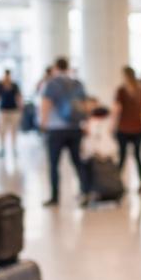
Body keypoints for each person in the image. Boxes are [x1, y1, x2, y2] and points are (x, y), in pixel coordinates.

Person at [40, 56, 88, 207]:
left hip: (56, 129)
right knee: (77, 162)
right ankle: (84, 191)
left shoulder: (51, 84)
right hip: (75, 128)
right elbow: (85, 105)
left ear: (55, 67)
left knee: (54, 164)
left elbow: (46, 104)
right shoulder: (77, 83)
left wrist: (43, 123)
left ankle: (55, 197)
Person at [112, 65, 141, 193]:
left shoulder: (122, 90)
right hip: (137, 128)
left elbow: (116, 109)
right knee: (137, 156)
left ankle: (118, 183)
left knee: (122, 157)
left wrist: (112, 125)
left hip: (125, 128)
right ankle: (140, 183)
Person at [0, 69, 22, 158]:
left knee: (14, 130)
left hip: (14, 110)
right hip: (3, 111)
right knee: (2, 130)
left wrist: (20, 107)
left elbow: (18, 96)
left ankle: (14, 148)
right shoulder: (0, 85)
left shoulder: (14, 85)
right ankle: (2, 148)